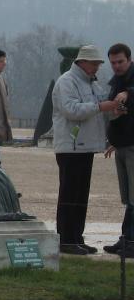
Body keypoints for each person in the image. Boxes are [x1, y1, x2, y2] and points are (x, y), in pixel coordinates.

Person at [51, 45, 123, 255]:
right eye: (94, 64)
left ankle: (76, 237)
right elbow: (71, 110)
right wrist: (101, 107)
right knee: (69, 194)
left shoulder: (91, 83)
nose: (97, 68)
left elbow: (100, 104)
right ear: (82, 62)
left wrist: (112, 107)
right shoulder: (67, 81)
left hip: (86, 147)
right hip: (70, 148)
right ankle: (66, 239)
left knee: (80, 195)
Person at [103, 43, 134, 255]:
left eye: (120, 61)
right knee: (128, 198)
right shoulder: (115, 82)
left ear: (129, 59)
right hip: (122, 145)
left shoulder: (127, 83)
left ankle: (131, 243)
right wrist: (113, 140)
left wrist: (128, 93)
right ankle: (126, 239)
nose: (116, 66)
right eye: (113, 62)